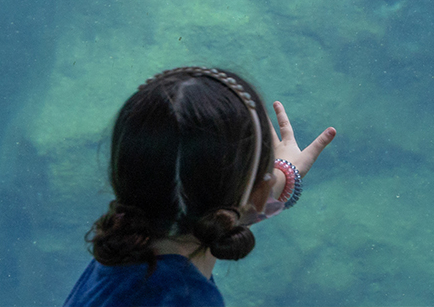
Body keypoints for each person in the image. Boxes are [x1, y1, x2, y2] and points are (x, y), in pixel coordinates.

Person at [65, 66, 337, 307]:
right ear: (258, 193)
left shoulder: (119, 256)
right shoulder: (188, 299)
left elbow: (208, 205)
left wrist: (282, 176)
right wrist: (280, 176)